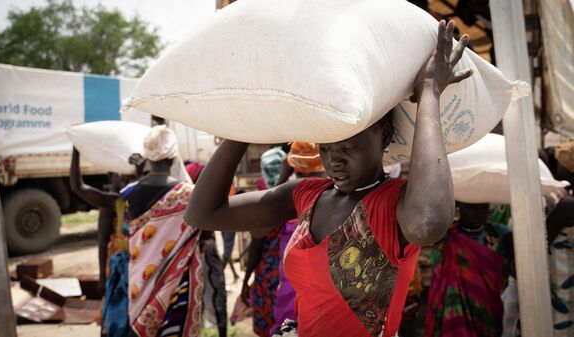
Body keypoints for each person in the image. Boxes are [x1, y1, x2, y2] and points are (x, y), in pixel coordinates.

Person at [185, 20, 471, 337]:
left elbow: (428, 223)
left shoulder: (394, 204)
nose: (334, 159)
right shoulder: (306, 196)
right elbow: (202, 213)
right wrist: (248, 119)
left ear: (384, 134)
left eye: (348, 146)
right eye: (326, 147)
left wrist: (429, 92)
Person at [124, 125, 204, 337]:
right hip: (178, 282)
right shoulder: (188, 194)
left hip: (139, 282)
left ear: (148, 155)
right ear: (173, 155)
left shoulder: (129, 193)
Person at [425, 202, 514, 337]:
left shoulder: (499, 234)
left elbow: (510, 270)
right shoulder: (447, 237)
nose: (477, 212)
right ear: (461, 207)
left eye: (482, 207)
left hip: (488, 313)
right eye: (472, 207)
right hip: (453, 312)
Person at [271, 142, 326, 335]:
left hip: (317, 305)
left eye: (309, 174)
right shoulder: (294, 198)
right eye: (300, 175)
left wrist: (283, 178)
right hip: (292, 298)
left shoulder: (335, 200)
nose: (304, 180)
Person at [70, 148, 131, 296]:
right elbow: (103, 241)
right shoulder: (114, 202)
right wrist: (103, 278)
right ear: (111, 178)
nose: (123, 180)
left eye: (127, 176)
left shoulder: (137, 198)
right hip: (120, 268)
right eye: (119, 176)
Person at [241, 147, 287, 337]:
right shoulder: (295, 194)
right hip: (291, 272)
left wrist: (246, 280)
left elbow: (257, 245)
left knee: (269, 325)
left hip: (269, 275)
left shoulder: (264, 200)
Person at [185, 161, 228, 337]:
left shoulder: (187, 196)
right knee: (216, 295)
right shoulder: (202, 196)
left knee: (195, 297)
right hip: (206, 251)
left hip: (192, 253)